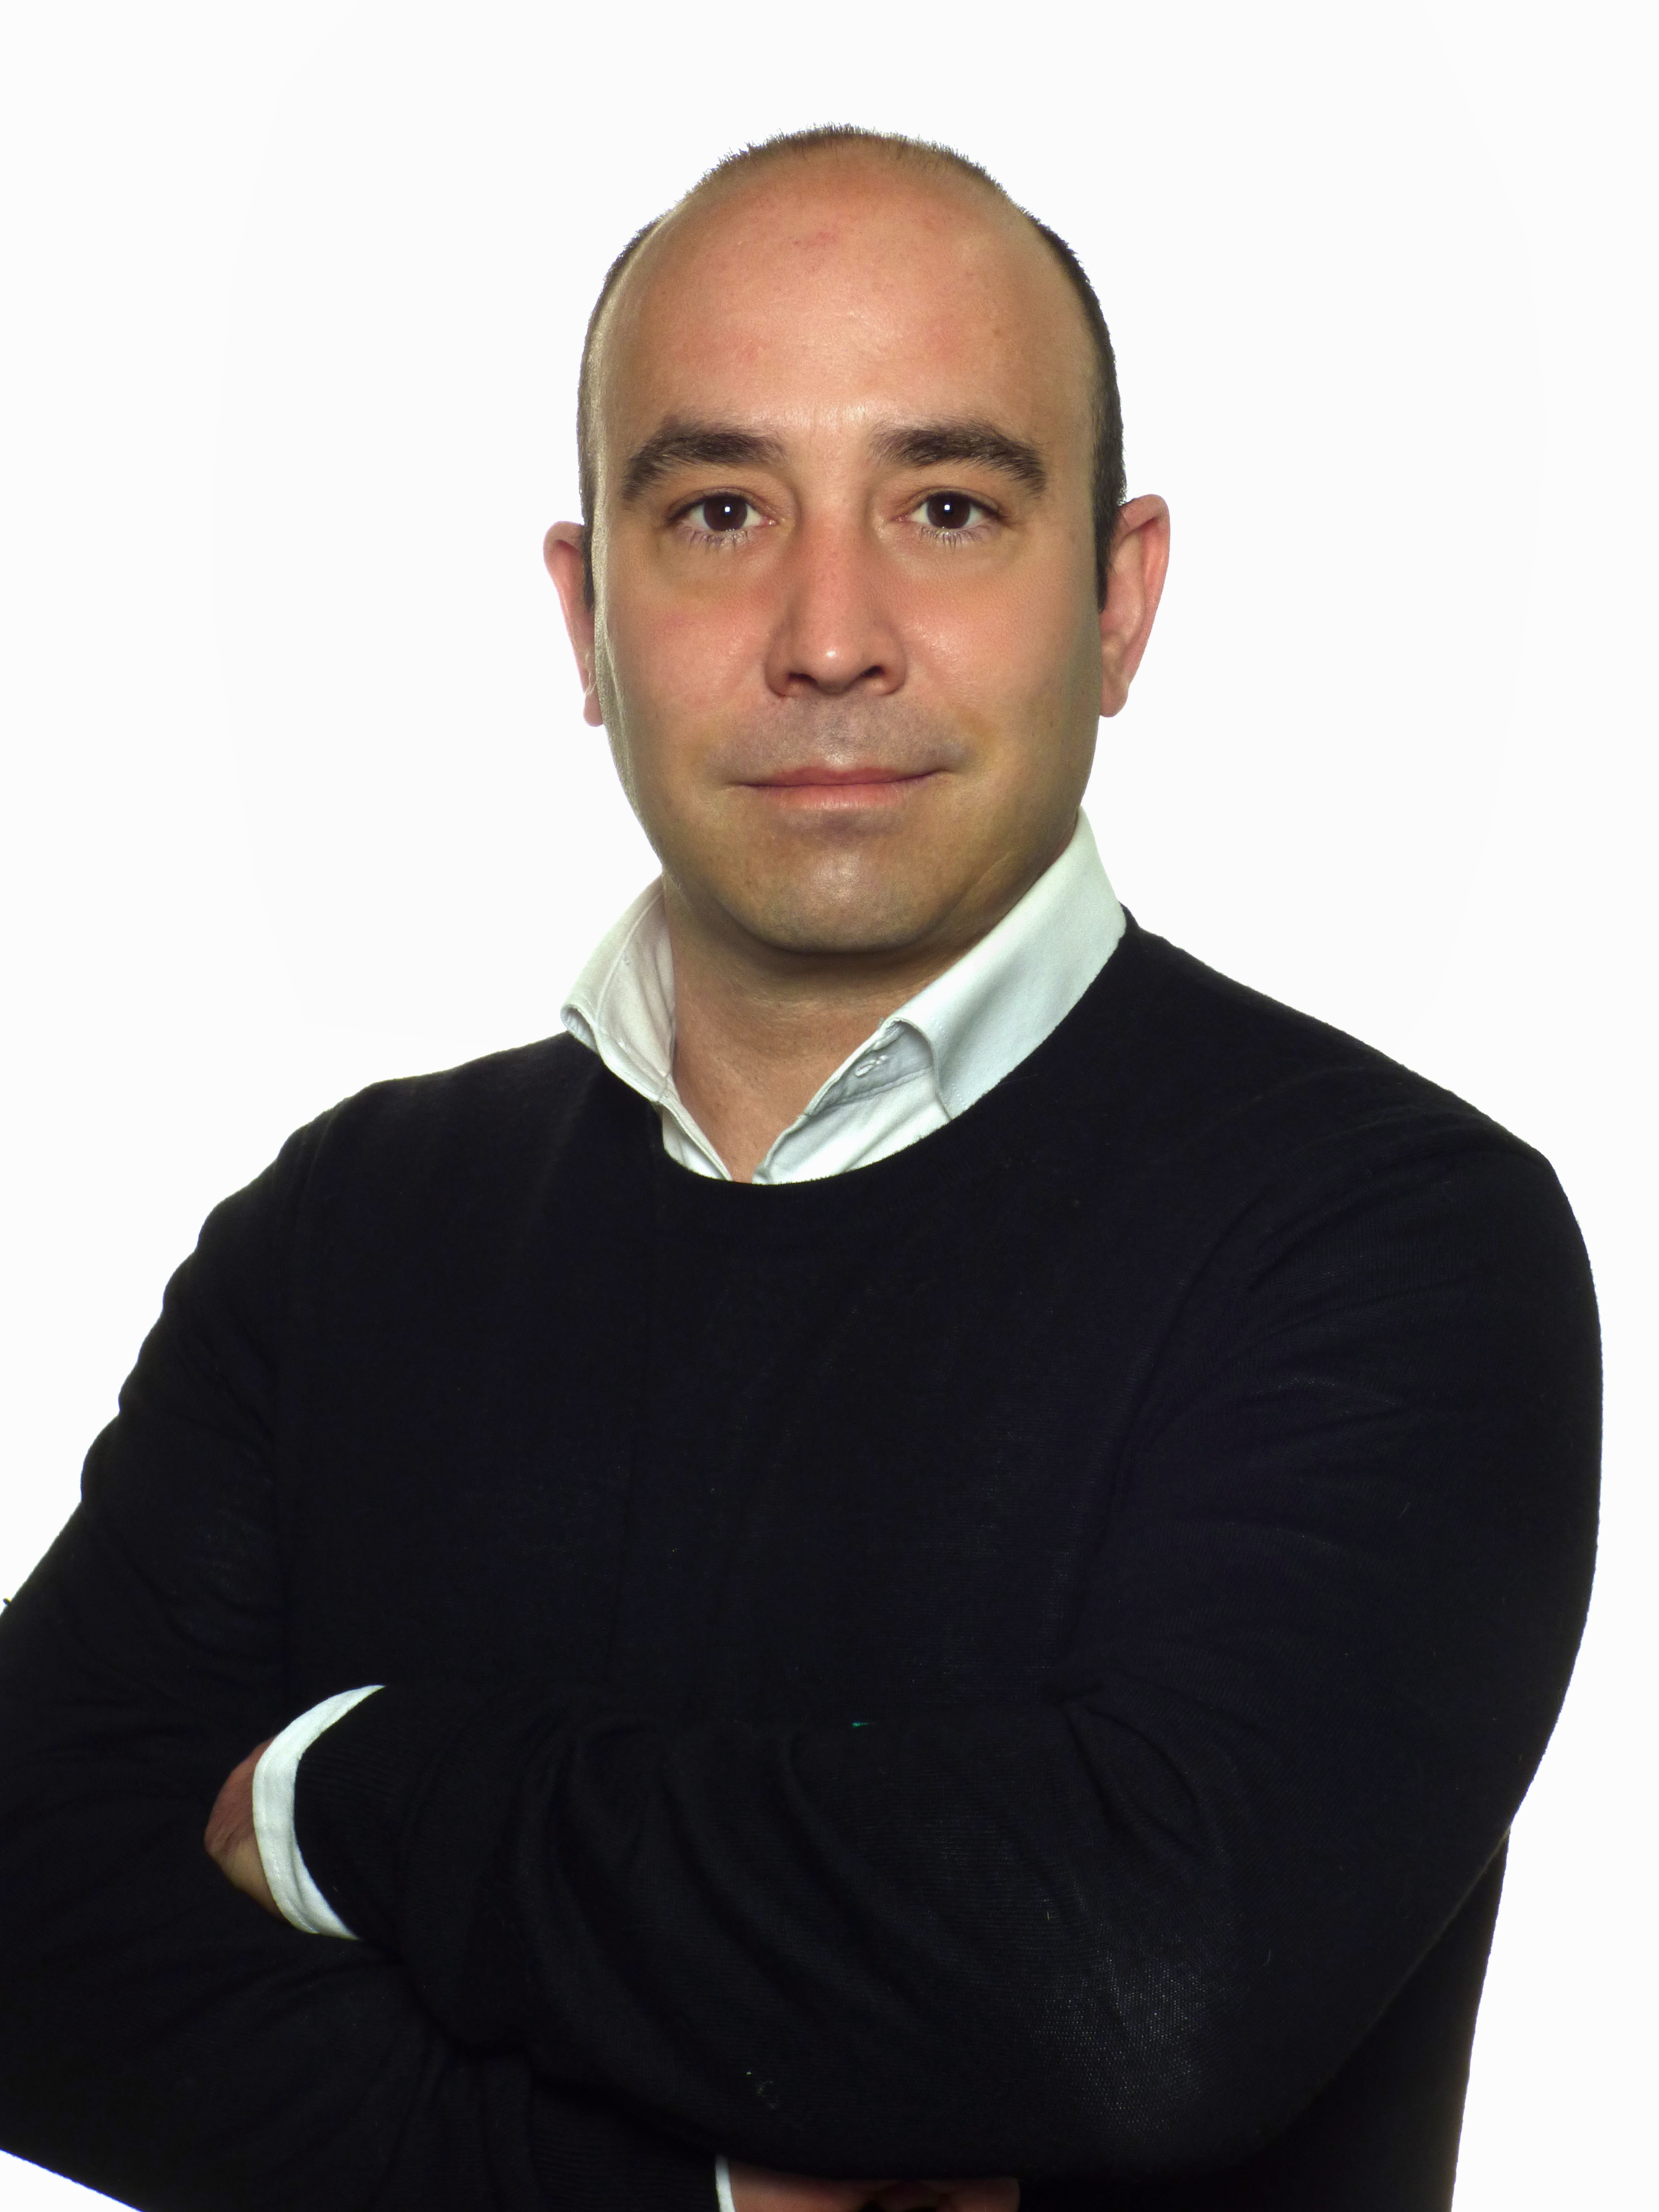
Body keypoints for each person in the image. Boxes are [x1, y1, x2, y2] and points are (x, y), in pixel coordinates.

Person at [0, 126, 1599, 2212]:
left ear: (1118, 602)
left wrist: (357, 1790)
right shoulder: (347, 1234)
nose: (830, 636)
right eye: (720, 510)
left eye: (947, 507)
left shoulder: (1396, 1240)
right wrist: (698, 2195)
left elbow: (1144, 1989)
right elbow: (23, 1929)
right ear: (587, 614)